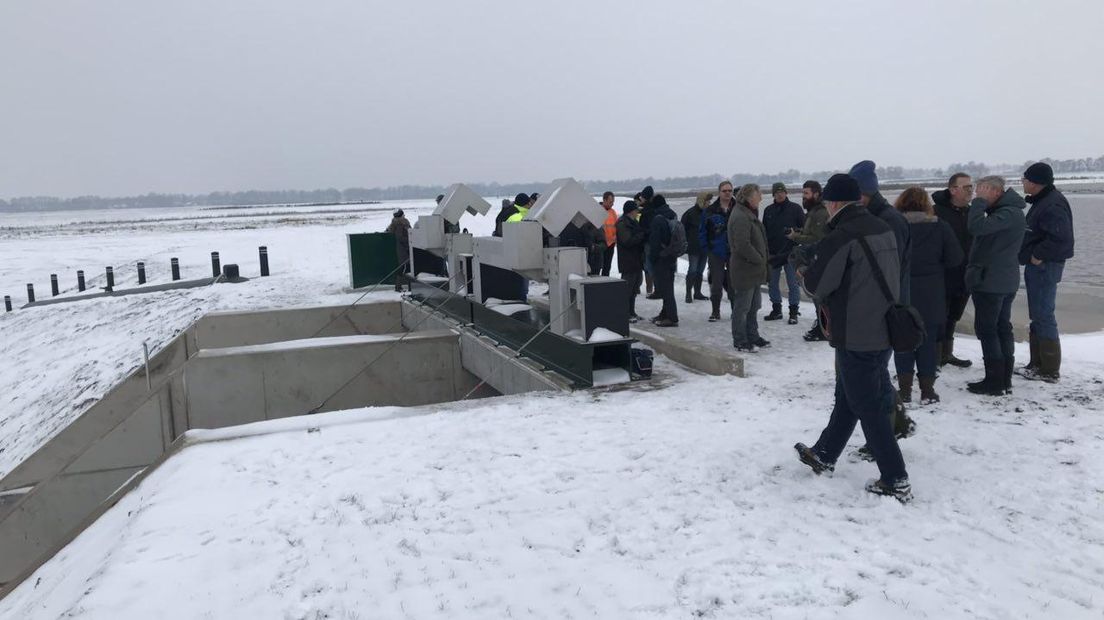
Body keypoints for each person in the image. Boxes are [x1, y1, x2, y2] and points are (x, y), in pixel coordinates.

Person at [794, 173, 911, 503]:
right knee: (850, 395)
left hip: (857, 333)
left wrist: (803, 270)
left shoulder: (841, 237)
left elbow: (817, 286)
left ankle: (895, 477)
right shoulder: (883, 227)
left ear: (831, 204)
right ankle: (825, 454)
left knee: (867, 406)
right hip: (884, 326)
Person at [849, 160, 914, 438]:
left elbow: (890, 269)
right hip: (877, 307)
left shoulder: (889, 221)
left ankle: (887, 432)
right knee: (875, 374)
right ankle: (896, 424)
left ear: (864, 193)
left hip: (887, 308)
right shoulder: (873, 217)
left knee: (874, 375)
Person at [893, 187, 963, 405]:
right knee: (928, 342)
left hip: (901, 292)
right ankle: (927, 390)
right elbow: (956, 258)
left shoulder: (893, 228)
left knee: (903, 341)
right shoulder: (941, 227)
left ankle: (904, 390)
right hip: (932, 293)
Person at [965, 176, 1027, 396]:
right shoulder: (1007, 212)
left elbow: (976, 227)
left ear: (996, 191)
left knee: (990, 329)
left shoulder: (1008, 213)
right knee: (1000, 328)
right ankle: (1002, 380)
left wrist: (978, 204)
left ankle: (996, 381)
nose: (976, 194)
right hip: (1000, 279)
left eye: (982, 190)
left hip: (993, 281)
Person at [1018, 162, 1075, 382]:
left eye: (1025, 179)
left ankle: (1049, 369)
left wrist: (1037, 255)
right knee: (1038, 315)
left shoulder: (1052, 204)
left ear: (1035, 182)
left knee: (1043, 314)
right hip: (1040, 266)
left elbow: (1062, 238)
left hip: (1045, 266)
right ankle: (1037, 364)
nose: (1022, 182)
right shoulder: (1044, 200)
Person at [931, 173, 975, 367]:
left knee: (953, 317)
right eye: (966, 187)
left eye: (971, 187)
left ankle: (946, 354)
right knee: (938, 318)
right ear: (953, 190)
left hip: (965, 275)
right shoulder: (935, 212)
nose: (970, 190)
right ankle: (933, 357)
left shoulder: (973, 212)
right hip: (942, 276)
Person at [727, 184, 769, 352]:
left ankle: (753, 335)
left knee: (754, 306)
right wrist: (759, 258)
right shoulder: (740, 216)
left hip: (754, 270)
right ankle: (740, 339)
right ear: (750, 197)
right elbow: (742, 245)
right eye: (758, 195)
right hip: (745, 269)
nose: (761, 198)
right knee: (742, 307)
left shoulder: (747, 213)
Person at [788, 180, 829, 341]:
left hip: (816, 259)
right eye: (803, 193)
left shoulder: (820, 213)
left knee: (819, 297)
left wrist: (795, 237)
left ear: (816, 194)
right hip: (811, 258)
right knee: (816, 298)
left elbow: (817, 238)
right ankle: (821, 325)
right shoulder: (813, 211)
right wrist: (799, 232)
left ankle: (823, 328)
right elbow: (810, 232)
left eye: (806, 193)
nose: (803, 196)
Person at [762, 182, 806, 324]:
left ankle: (793, 312)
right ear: (773, 194)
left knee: (792, 284)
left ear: (786, 193)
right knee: (772, 283)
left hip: (791, 252)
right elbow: (764, 231)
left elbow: (804, 229)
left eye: (782, 192)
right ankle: (776, 310)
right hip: (773, 252)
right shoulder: (768, 210)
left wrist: (795, 233)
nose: (780, 194)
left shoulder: (796, 209)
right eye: (777, 192)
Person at [700, 181, 734, 322]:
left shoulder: (738, 208)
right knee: (716, 283)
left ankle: (735, 310)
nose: (727, 193)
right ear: (719, 192)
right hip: (716, 251)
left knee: (734, 283)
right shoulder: (710, 211)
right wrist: (707, 248)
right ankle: (715, 311)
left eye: (730, 190)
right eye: (724, 190)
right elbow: (702, 231)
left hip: (733, 252)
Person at [647, 194, 679, 326]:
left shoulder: (657, 219)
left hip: (661, 257)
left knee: (666, 289)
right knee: (668, 286)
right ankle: (664, 313)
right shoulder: (672, 214)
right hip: (672, 256)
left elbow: (654, 242)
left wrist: (652, 258)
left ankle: (672, 318)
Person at [616, 200, 646, 322]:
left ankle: (632, 312)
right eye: (635, 211)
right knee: (627, 289)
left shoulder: (633, 222)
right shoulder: (622, 223)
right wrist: (641, 236)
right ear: (631, 211)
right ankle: (625, 313)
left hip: (636, 260)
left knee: (635, 287)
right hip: (628, 260)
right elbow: (627, 241)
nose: (637, 213)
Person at [681, 191, 712, 303]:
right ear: (702, 201)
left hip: (704, 247)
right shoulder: (689, 214)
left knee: (700, 271)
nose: (709, 203)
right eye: (707, 201)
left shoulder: (708, 213)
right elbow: (682, 230)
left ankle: (697, 292)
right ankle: (688, 293)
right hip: (693, 247)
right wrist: (685, 244)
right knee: (692, 270)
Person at [384, 208, 412, 291]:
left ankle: (406, 286)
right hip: (403, 248)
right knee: (404, 267)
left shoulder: (397, 223)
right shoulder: (400, 224)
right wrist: (409, 240)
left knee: (406, 267)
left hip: (404, 248)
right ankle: (399, 286)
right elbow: (400, 237)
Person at [639, 186, 659, 298]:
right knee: (651, 265)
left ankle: (650, 289)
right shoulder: (654, 209)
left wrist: (642, 233)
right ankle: (653, 288)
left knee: (648, 266)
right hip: (653, 241)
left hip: (648, 241)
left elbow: (645, 226)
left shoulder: (646, 211)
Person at [600, 191, 618, 276]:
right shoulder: (598, 211)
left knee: (607, 268)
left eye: (613, 202)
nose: (612, 204)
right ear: (604, 200)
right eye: (610, 202)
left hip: (610, 244)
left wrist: (616, 237)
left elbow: (616, 226)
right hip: (600, 244)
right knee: (598, 267)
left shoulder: (613, 212)